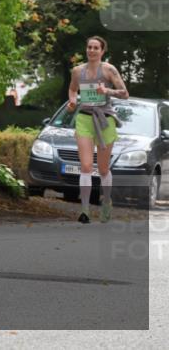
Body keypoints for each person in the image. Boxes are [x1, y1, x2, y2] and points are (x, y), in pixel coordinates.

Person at [66, 35, 128, 223]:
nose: (92, 50)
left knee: (102, 168)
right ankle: (84, 210)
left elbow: (125, 94)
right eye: (89, 47)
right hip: (84, 118)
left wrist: (107, 91)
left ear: (102, 51)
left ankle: (106, 201)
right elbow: (72, 89)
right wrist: (73, 100)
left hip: (104, 120)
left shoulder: (109, 70)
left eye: (96, 48)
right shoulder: (78, 71)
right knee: (85, 166)